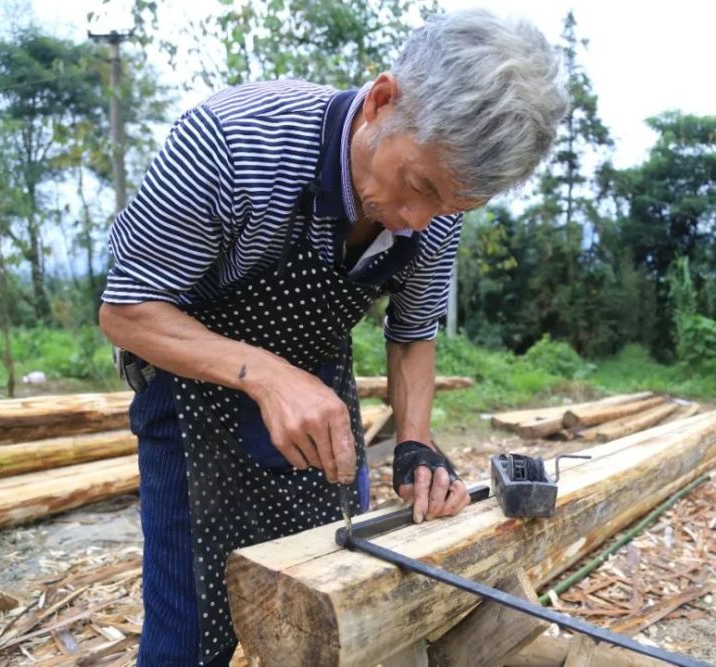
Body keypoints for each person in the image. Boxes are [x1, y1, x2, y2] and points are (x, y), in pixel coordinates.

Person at [99, 8, 567, 665]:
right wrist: (266, 375)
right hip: (191, 404)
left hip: (321, 409)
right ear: (382, 101)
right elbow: (126, 310)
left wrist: (415, 442)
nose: (416, 222)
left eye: (449, 208)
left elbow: (412, 331)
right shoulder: (231, 141)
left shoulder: (435, 206)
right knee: (191, 634)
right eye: (417, 187)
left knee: (337, 605)